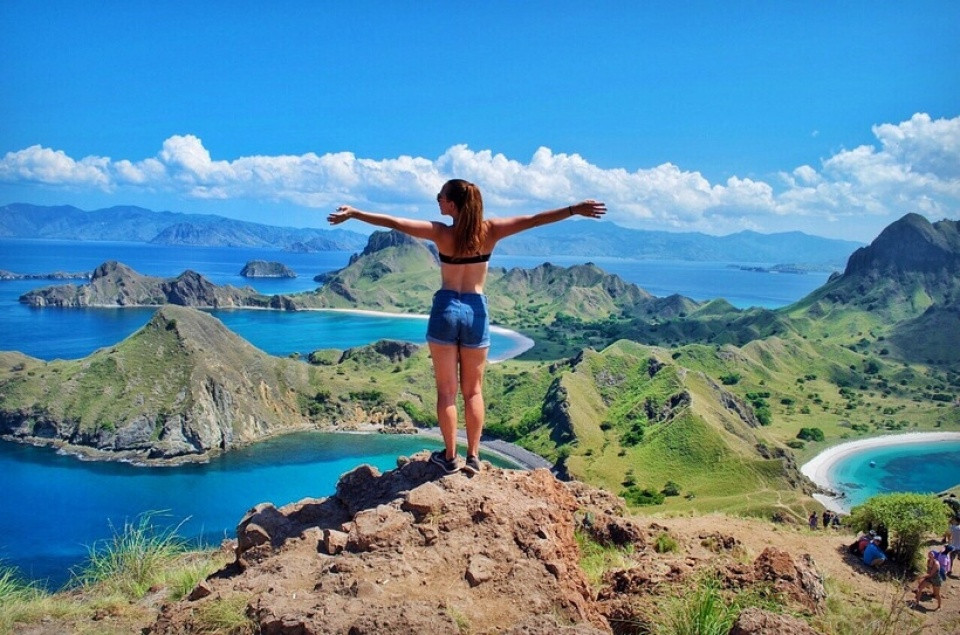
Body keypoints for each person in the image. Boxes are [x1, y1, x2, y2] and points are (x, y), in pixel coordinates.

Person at [328, 180, 606, 475]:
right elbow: (535, 220)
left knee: (446, 392)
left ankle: (449, 457)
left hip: (446, 309)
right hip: (476, 309)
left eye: (441, 197)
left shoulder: (440, 233)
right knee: (473, 391)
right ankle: (473, 457)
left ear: (452, 204)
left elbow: (395, 222)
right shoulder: (491, 231)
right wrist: (575, 209)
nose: (437, 200)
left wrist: (356, 213)